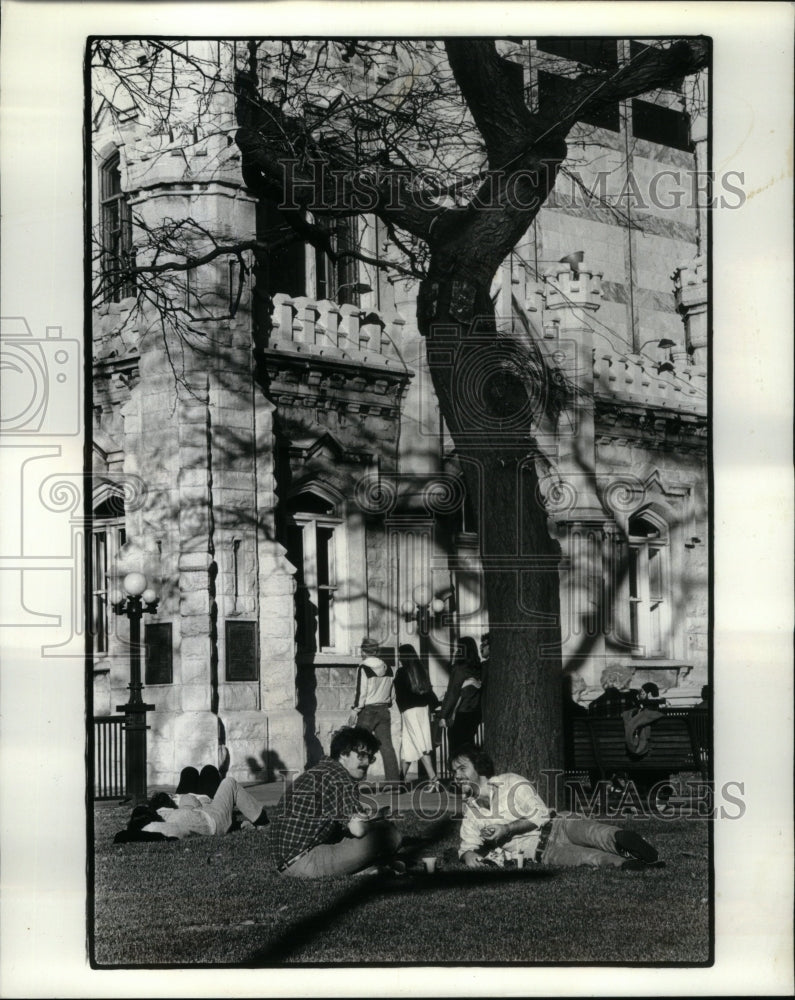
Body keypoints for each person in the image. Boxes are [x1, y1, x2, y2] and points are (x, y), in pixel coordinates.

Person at [451, 745, 661, 871]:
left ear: (479, 768)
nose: (457, 776)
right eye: (454, 771)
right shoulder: (471, 812)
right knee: (590, 858)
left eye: (462, 768)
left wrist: (506, 829)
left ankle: (627, 841)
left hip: (558, 824)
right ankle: (628, 865)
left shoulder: (511, 782)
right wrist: (468, 856)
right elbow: (467, 845)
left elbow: (540, 815)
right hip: (543, 852)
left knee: (596, 833)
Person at [269, 726, 403, 878]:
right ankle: (365, 869)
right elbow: (358, 829)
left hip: (288, 861)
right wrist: (374, 821)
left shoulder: (323, 771)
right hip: (303, 862)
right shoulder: (338, 776)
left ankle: (364, 870)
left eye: (370, 757)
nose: (366, 763)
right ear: (343, 754)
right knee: (390, 833)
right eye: (362, 755)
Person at [115, 776, 269, 843]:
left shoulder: (161, 820)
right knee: (229, 782)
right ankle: (262, 820)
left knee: (191, 795)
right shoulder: (162, 820)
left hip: (204, 817)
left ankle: (239, 823)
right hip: (213, 819)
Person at [350, 636, 401, 783]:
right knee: (387, 747)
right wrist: (388, 702)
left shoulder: (363, 667)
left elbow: (361, 692)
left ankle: (356, 780)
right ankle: (394, 783)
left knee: (359, 745)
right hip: (384, 709)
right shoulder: (388, 667)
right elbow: (392, 692)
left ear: (364, 651)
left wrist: (355, 710)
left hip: (367, 710)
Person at [394, 643, 441, 788]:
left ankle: (434, 779)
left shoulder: (401, 673)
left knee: (421, 746)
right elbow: (429, 691)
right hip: (422, 710)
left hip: (409, 711)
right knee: (409, 747)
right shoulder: (421, 670)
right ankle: (399, 780)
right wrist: (436, 705)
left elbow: (399, 695)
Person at [439, 636, 483, 756]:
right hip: (474, 713)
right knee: (468, 747)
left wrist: (443, 715)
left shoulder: (459, 669)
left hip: (460, 713)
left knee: (456, 748)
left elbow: (452, 692)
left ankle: (457, 773)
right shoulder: (479, 667)